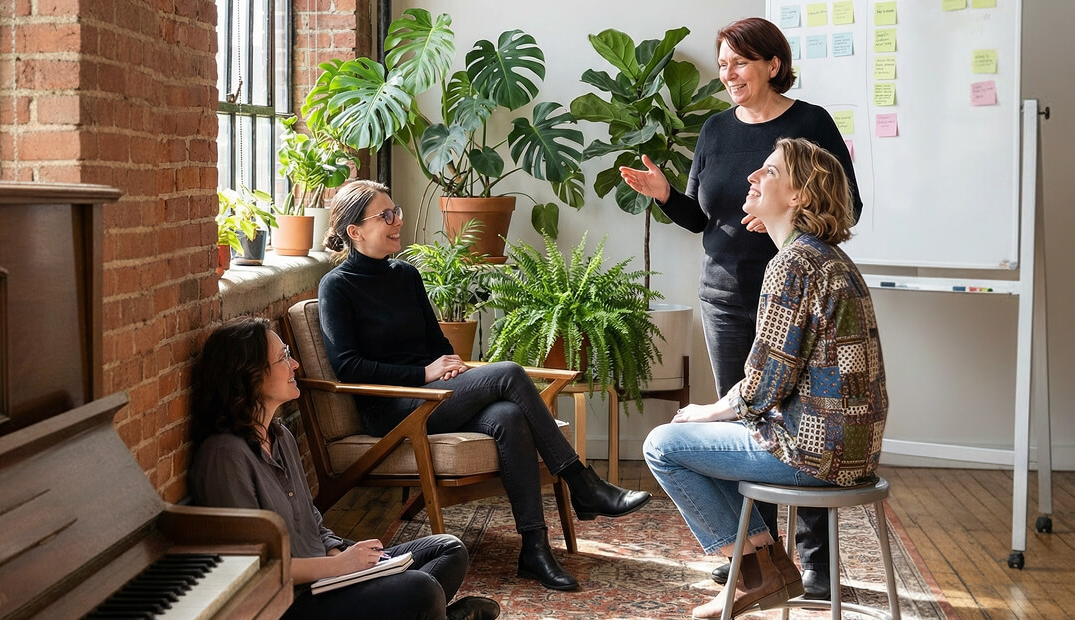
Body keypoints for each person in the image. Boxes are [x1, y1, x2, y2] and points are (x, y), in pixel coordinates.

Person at [620, 16, 863, 599]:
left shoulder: (810, 123)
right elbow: (704, 219)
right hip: (726, 298)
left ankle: (816, 564)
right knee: (742, 428)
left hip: (796, 298)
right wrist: (667, 198)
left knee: (801, 429)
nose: (727, 74)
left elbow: (846, 205)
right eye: (722, 63)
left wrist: (788, 222)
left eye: (739, 63)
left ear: (772, 64)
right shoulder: (714, 130)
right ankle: (754, 557)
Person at [316, 179, 652, 592]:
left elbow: (435, 341)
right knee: (509, 372)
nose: (396, 221)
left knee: (509, 416)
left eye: (396, 211)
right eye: (385, 216)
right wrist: (424, 374)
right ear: (354, 231)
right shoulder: (337, 287)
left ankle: (535, 549)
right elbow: (348, 366)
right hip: (392, 410)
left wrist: (452, 364)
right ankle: (583, 485)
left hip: (436, 395)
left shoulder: (405, 275)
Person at [642, 137, 887, 619]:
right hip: (854, 449)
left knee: (663, 444)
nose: (753, 177)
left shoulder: (791, 264)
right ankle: (765, 564)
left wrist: (707, 411)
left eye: (769, 172)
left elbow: (764, 382)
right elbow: (777, 378)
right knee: (705, 431)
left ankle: (753, 572)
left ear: (799, 195)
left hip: (816, 453)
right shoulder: (828, 258)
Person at [188, 317, 501, 620]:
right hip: (291, 603)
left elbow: (310, 520)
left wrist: (341, 556)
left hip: (329, 578)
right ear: (251, 376)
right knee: (422, 589)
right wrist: (339, 569)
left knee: (447, 550)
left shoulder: (279, 436)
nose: (295, 364)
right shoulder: (224, 457)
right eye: (284, 357)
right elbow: (252, 569)